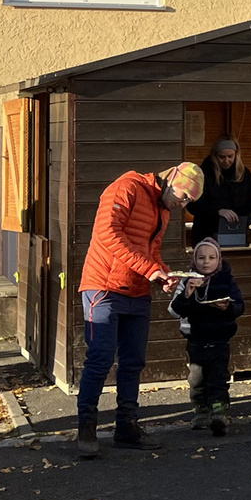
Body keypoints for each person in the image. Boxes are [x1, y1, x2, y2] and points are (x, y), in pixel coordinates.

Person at [75, 161, 204, 459]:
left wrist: (163, 273)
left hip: (137, 290)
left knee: (133, 362)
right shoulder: (127, 187)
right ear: (171, 179)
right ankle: (87, 427)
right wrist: (150, 269)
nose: (183, 204)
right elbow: (107, 233)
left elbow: (151, 250)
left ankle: (127, 426)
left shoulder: (163, 209)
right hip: (104, 286)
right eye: (183, 195)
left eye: (189, 201)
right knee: (100, 358)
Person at [168, 238, 245, 436]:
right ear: (195, 260)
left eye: (211, 257)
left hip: (220, 339)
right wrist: (187, 294)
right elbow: (174, 310)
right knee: (196, 379)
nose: (206, 262)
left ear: (219, 260)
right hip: (196, 341)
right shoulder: (187, 281)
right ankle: (201, 411)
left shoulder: (226, 280)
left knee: (218, 378)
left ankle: (219, 413)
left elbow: (239, 306)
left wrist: (227, 307)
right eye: (201, 258)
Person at [188, 136, 251, 247]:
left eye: (230, 156)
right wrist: (218, 211)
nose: (226, 160)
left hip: (237, 234)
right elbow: (193, 204)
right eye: (222, 157)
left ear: (236, 155)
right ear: (215, 156)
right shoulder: (203, 174)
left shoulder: (244, 174)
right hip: (206, 233)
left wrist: (242, 221)